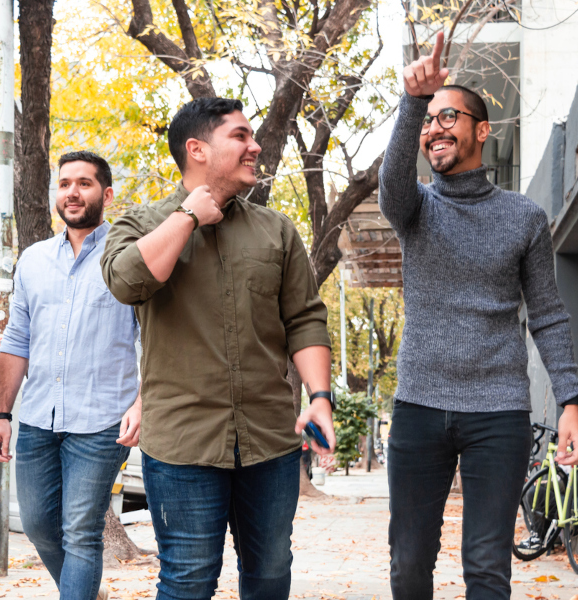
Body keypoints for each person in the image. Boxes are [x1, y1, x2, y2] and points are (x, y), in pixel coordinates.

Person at [379, 32, 578, 600]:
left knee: (488, 565)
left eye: (449, 116)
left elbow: (546, 312)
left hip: (499, 410)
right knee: (408, 561)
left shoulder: (524, 218)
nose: (435, 129)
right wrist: (412, 104)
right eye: (429, 122)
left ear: (481, 130)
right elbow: (391, 185)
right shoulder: (416, 208)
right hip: (420, 405)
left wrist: (571, 402)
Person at [101, 97, 335, 600]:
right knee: (187, 580)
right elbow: (127, 282)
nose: (256, 146)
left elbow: (305, 320)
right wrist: (187, 215)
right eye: (241, 136)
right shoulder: (140, 224)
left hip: (269, 440)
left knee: (271, 574)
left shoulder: (277, 231)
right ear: (197, 149)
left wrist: (320, 397)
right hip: (183, 443)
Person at [0, 151, 141, 600]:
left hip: (101, 421)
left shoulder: (129, 257)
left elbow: (151, 338)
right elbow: (16, 339)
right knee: (37, 525)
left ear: (106, 194)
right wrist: (2, 414)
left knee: (80, 531)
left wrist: (141, 403)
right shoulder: (33, 260)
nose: (72, 192)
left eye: (85, 184)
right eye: (65, 183)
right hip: (38, 417)